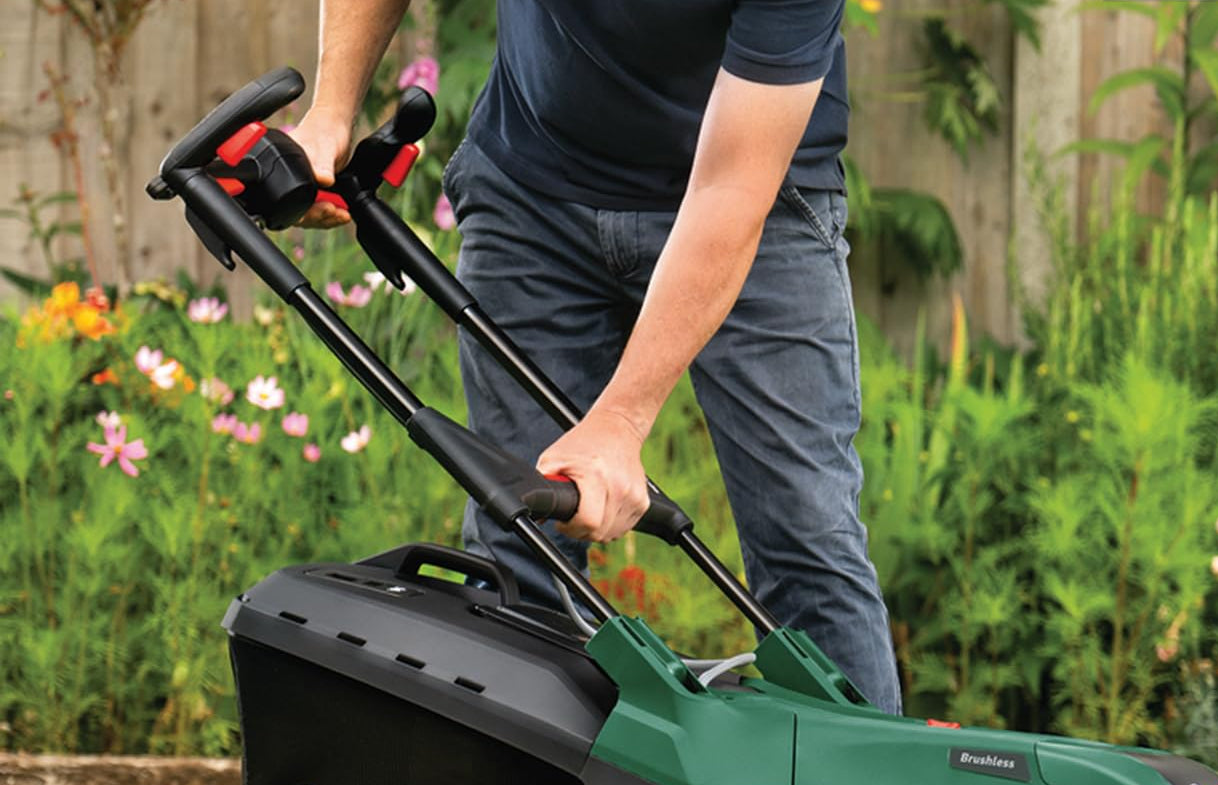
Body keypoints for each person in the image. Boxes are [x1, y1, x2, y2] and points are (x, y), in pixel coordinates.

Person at [294, 1, 902, 715]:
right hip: (533, 189)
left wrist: (621, 422)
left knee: (807, 545)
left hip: (759, 208)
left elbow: (732, 188)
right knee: (518, 539)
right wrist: (330, 113)